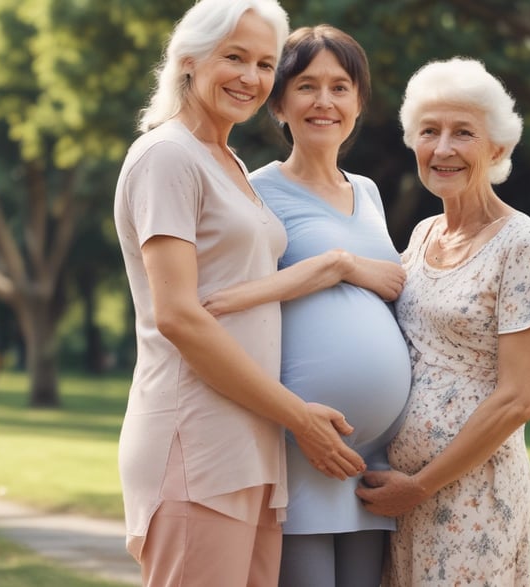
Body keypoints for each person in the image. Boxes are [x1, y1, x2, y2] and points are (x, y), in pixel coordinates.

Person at [113, 2, 366, 585]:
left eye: (264, 64)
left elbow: (238, 289)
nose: (250, 77)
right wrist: (298, 417)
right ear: (189, 59)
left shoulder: (225, 160)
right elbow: (179, 316)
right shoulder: (167, 155)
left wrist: (343, 267)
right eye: (234, 57)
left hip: (251, 446)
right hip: (195, 445)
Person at [202, 25, 412, 587]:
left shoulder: (368, 192)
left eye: (340, 87)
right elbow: (222, 302)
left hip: (372, 454)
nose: (325, 101)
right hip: (300, 442)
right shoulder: (254, 191)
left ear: (359, 103)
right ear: (278, 104)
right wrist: (338, 265)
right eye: (306, 86)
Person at [355, 57, 530, 586]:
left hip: (472, 495)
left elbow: (520, 399)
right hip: (401, 496)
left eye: (463, 133)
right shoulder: (422, 235)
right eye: (429, 131)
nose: (443, 148)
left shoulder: (523, 244)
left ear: (497, 149)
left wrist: (421, 485)